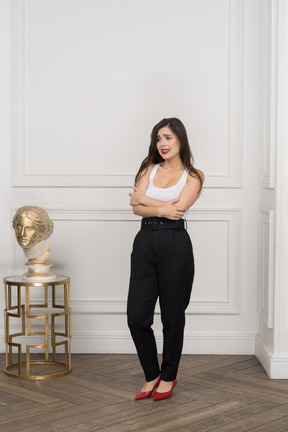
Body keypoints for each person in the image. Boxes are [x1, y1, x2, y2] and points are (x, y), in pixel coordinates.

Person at [127, 117, 204, 401]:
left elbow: (178, 210)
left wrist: (145, 200)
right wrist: (158, 205)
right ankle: (151, 374)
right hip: (144, 243)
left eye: (168, 138)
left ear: (181, 140)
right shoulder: (149, 168)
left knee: (173, 318)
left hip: (176, 243)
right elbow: (135, 208)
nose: (162, 144)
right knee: (136, 317)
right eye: (159, 138)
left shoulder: (194, 175)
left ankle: (168, 376)